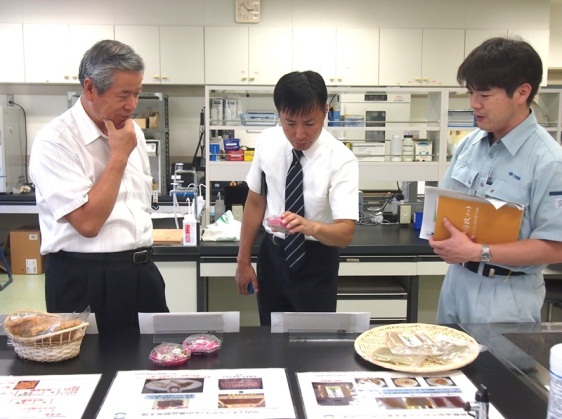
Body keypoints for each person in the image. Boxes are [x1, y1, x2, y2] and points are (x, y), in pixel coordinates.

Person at [29, 40, 169, 336]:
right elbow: (88, 222)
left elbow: (137, 205)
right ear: (90, 88)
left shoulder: (133, 132)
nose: (132, 105)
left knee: (154, 366)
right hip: (85, 276)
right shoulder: (56, 141)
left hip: (141, 271)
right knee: (89, 369)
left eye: (137, 93)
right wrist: (118, 156)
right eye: (123, 95)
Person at [429, 37, 562, 324]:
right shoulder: (468, 145)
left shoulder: (549, 161)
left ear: (522, 92)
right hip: (457, 283)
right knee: (444, 367)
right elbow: (444, 207)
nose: (474, 104)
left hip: (507, 292)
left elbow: (556, 246)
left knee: (495, 371)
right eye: (470, 93)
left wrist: (479, 251)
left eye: (485, 95)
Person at [234, 70, 359, 326]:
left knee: (313, 343)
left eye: (310, 123)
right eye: (290, 123)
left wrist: (310, 226)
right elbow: (256, 202)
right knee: (270, 338)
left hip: (316, 260)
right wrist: (243, 260)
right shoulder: (267, 142)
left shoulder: (341, 159)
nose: (300, 134)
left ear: (325, 111)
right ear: (279, 113)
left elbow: (345, 233)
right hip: (273, 255)